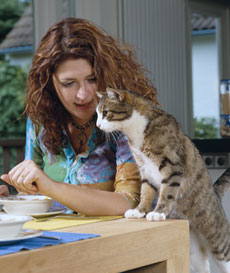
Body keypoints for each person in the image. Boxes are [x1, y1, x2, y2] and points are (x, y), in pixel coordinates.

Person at [0, 17, 158, 216]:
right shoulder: (40, 120)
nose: (83, 94)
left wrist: (52, 186)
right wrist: (9, 199)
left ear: (107, 75)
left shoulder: (129, 120)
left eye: (92, 79)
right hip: (58, 241)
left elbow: (131, 203)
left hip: (119, 242)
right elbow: (35, 195)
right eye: (69, 83)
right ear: (49, 83)